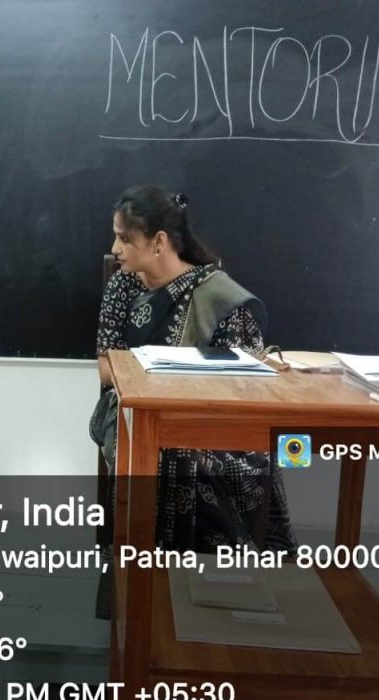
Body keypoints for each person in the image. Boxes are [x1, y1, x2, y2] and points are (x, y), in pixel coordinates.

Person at [93, 186, 297, 553]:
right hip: (131, 408)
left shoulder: (215, 294)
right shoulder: (121, 286)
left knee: (186, 453)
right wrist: (153, 382)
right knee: (167, 452)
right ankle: (149, 569)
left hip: (208, 415)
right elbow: (108, 371)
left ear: (158, 242)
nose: (115, 248)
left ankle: (214, 570)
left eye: (124, 238)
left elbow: (241, 384)